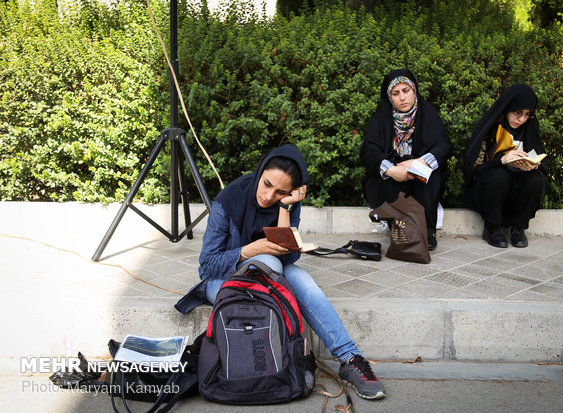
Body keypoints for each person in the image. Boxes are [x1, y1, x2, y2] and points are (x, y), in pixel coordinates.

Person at [178, 144, 385, 400]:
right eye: (266, 184)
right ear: (260, 171)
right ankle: (290, 357)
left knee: (303, 281)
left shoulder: (286, 202)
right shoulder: (228, 202)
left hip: (272, 279)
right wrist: (249, 251)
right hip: (224, 281)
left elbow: (290, 255)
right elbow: (207, 265)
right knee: (271, 263)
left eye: (280, 192)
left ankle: (350, 359)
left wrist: (285, 208)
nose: (268, 195)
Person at [360, 69, 453, 251]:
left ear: (414, 91)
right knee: (387, 181)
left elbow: (444, 146)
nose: (402, 97)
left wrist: (420, 163)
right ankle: (400, 228)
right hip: (392, 177)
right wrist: (390, 170)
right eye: (396, 93)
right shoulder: (381, 117)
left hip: (419, 175)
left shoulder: (427, 115)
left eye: (406, 91)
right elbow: (368, 151)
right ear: (389, 97)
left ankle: (427, 230)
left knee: (431, 177)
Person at [463, 84, 549, 248]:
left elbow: (540, 160)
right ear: (508, 108)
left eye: (526, 114)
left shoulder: (529, 126)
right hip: (491, 190)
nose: (521, 119)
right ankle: (492, 228)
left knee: (536, 179)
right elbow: (475, 169)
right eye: (517, 113)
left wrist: (533, 166)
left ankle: (518, 228)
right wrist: (501, 160)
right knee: (500, 176)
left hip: (519, 187)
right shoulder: (492, 126)